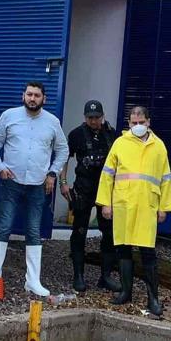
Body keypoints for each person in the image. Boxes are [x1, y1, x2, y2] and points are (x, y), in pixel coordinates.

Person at [0, 81, 68, 299]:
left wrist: (52, 173)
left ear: (44, 99)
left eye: (37, 95)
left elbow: (62, 150)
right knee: (4, 227)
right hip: (11, 182)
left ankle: (33, 282)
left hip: (38, 184)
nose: (32, 98)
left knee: (33, 230)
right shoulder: (9, 116)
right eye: (29, 94)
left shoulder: (52, 122)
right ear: (23, 96)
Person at [96, 106, 171, 316]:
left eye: (141, 122)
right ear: (128, 123)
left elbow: (166, 178)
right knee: (123, 248)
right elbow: (107, 175)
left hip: (147, 205)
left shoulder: (158, 146)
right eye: (134, 123)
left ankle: (153, 299)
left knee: (148, 252)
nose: (138, 126)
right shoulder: (120, 143)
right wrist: (106, 203)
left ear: (149, 122)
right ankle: (125, 292)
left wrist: (164, 207)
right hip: (123, 203)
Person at [59, 100, 122, 294]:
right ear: (85, 117)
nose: (93, 121)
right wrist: (63, 183)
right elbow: (64, 158)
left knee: (109, 234)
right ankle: (78, 276)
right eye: (90, 118)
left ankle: (106, 276)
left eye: (96, 117)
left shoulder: (112, 134)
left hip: (106, 191)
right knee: (79, 232)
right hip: (83, 189)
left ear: (102, 116)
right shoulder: (77, 134)